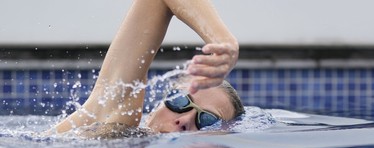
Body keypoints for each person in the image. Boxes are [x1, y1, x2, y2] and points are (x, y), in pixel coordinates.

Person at [54, 0, 244, 137]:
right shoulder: (113, 127)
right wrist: (223, 42)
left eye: (208, 120)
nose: (185, 121)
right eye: (179, 101)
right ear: (157, 106)